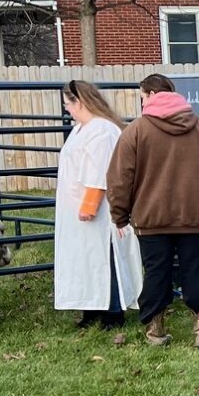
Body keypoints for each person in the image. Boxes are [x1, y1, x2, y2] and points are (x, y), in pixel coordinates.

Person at [107, 72, 199, 349]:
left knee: (156, 273)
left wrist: (119, 214)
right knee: (196, 271)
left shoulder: (136, 132)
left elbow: (119, 179)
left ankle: (156, 333)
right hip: (197, 215)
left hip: (152, 217)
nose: (141, 104)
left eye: (142, 97)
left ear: (151, 96)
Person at [55, 80, 141, 331]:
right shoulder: (82, 129)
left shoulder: (102, 130)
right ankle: (91, 307)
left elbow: (99, 170)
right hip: (76, 209)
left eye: (68, 104)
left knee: (105, 258)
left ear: (79, 102)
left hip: (99, 210)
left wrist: (89, 204)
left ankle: (113, 311)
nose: (67, 110)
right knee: (87, 260)